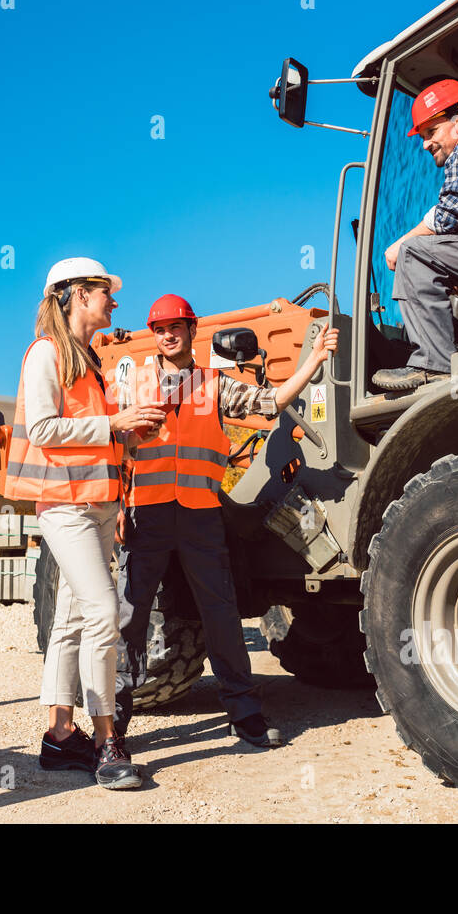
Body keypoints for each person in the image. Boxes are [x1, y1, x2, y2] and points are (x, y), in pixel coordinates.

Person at [112, 293, 340, 746]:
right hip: (148, 514)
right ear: (152, 336)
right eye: (159, 328)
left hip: (200, 515)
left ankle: (245, 714)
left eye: (176, 326)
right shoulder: (132, 385)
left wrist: (313, 359)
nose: (167, 334)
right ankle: (114, 723)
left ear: (192, 330)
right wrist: (118, 505)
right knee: (131, 617)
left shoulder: (215, 384)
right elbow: (117, 448)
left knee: (221, 615)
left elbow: (271, 402)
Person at [5, 257, 167, 790]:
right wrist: (114, 422)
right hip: (65, 507)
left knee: (71, 622)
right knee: (104, 612)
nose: (113, 302)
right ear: (76, 295)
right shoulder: (45, 355)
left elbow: (91, 435)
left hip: (97, 507)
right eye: (105, 292)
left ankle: (58, 737)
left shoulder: (89, 360)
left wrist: (128, 434)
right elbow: (47, 428)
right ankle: (105, 741)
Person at [375, 78, 458, 392]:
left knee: (414, 253)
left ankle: (433, 363)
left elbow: (450, 212)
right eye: (422, 136)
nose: (424, 144)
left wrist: (402, 243)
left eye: (430, 132)